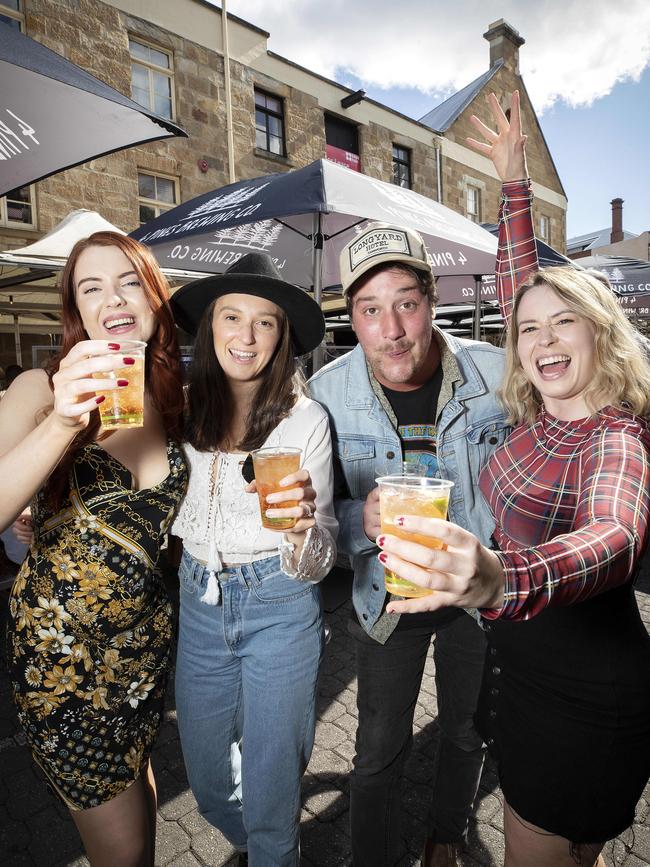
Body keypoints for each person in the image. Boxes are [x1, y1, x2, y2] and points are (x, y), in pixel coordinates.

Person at [380, 94, 650, 867]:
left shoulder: (616, 436)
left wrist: (500, 574)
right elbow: (520, 286)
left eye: (565, 322)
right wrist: (513, 187)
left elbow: (616, 535)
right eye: (529, 329)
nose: (540, 337)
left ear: (601, 332)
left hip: (584, 700)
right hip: (525, 678)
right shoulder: (542, 412)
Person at [308, 92, 536, 867]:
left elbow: (533, 325)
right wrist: (353, 518)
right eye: (371, 310)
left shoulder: (494, 371)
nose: (393, 328)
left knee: (469, 730)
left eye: (406, 302)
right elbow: (315, 512)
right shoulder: (327, 393)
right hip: (386, 600)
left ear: (433, 300)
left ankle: (446, 832)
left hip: (475, 591)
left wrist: (515, 192)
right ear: (352, 317)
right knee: (377, 748)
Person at [3, 231, 187, 867]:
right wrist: (60, 423)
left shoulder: (178, 401)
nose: (113, 298)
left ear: (154, 297)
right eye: (91, 287)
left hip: (145, 656)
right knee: (125, 850)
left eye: (128, 281)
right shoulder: (38, 388)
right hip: (65, 667)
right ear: (75, 312)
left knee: (138, 789)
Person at [169, 252, 337, 867]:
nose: (246, 336)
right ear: (210, 326)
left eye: (264, 322)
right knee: (210, 782)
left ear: (281, 336)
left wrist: (298, 529)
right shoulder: (177, 409)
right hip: (198, 603)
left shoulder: (305, 421)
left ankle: (272, 848)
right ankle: (257, 842)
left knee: (272, 793)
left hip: (279, 604)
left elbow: (320, 560)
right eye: (232, 317)